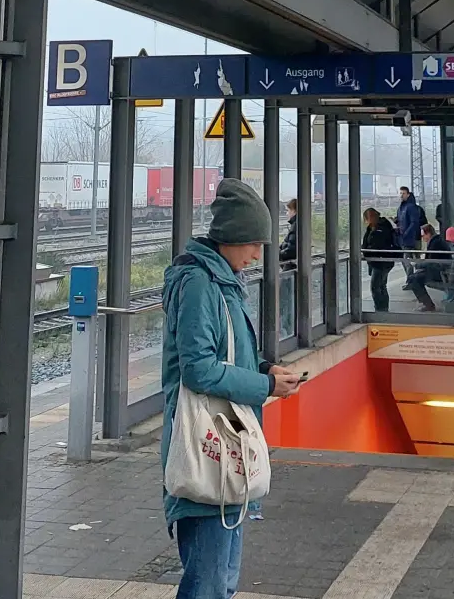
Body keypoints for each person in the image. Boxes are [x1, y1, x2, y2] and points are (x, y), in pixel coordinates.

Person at [162, 178, 302, 599]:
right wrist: (266, 385)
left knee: (220, 583)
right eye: (253, 243)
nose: (259, 253)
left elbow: (224, 353)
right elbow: (199, 370)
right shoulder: (202, 285)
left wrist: (263, 367)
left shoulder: (219, 281)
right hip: (208, 448)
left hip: (226, 450)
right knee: (207, 586)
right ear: (232, 238)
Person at [361, 208, 398, 312]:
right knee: (382, 286)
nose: (366, 222)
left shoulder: (379, 229)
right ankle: (383, 309)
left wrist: (366, 251)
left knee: (375, 287)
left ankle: (380, 309)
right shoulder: (378, 227)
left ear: (371, 218)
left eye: (367, 219)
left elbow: (376, 246)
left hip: (380, 262)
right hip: (381, 261)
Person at [406, 224, 449, 312]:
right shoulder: (437, 241)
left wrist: (416, 265)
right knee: (415, 277)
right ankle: (426, 304)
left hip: (439, 273)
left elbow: (430, 262)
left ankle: (427, 304)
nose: (423, 238)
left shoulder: (434, 243)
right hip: (442, 270)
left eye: (423, 235)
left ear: (428, 234)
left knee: (413, 279)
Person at [394, 186, 426, 280]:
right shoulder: (402, 208)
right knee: (412, 259)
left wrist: (405, 233)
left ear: (408, 195)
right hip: (408, 238)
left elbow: (414, 222)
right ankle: (415, 278)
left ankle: (412, 279)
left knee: (407, 259)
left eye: (403, 193)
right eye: (400, 193)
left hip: (410, 238)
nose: (401, 195)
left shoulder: (410, 207)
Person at [278, 198, 298, 264]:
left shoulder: (295, 226)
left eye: (288, 210)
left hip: (291, 264)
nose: (287, 213)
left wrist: (279, 254)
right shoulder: (296, 224)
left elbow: (291, 250)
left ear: (294, 211)